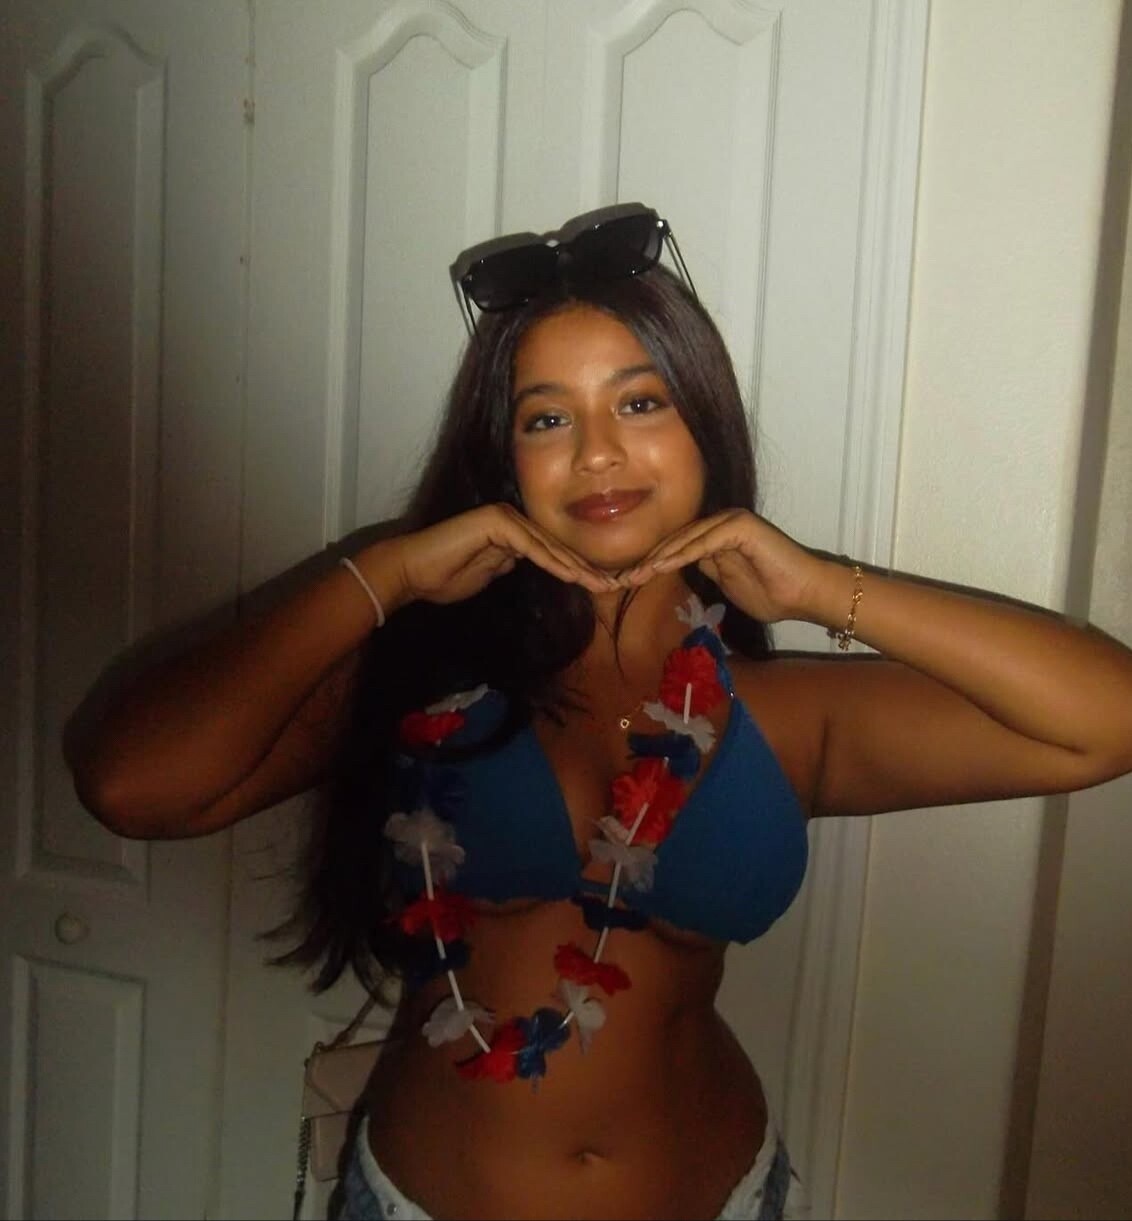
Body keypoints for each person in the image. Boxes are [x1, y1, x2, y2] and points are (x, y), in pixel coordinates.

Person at [67, 205, 1132, 1221]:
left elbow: (1107, 719)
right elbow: (132, 787)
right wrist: (384, 575)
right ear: (505, 458)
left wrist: (821, 588)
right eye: (547, 418)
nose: (596, 453)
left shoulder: (787, 715)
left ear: (703, 423)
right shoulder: (417, 679)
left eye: (639, 402)